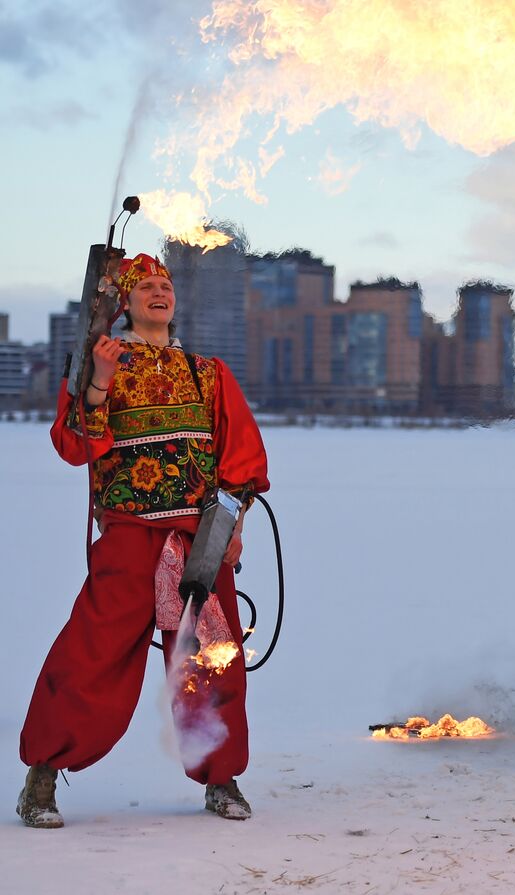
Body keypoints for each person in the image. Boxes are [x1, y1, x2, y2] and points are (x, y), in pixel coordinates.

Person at [16, 252, 269, 827]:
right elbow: (73, 445)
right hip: (130, 536)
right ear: (124, 301)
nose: (159, 292)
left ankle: (220, 777)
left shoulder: (209, 372)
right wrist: (100, 383)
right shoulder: (98, 364)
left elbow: (242, 460)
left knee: (211, 659)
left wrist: (231, 528)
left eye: (165, 285)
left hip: (197, 537)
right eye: (145, 286)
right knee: (91, 653)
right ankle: (43, 776)